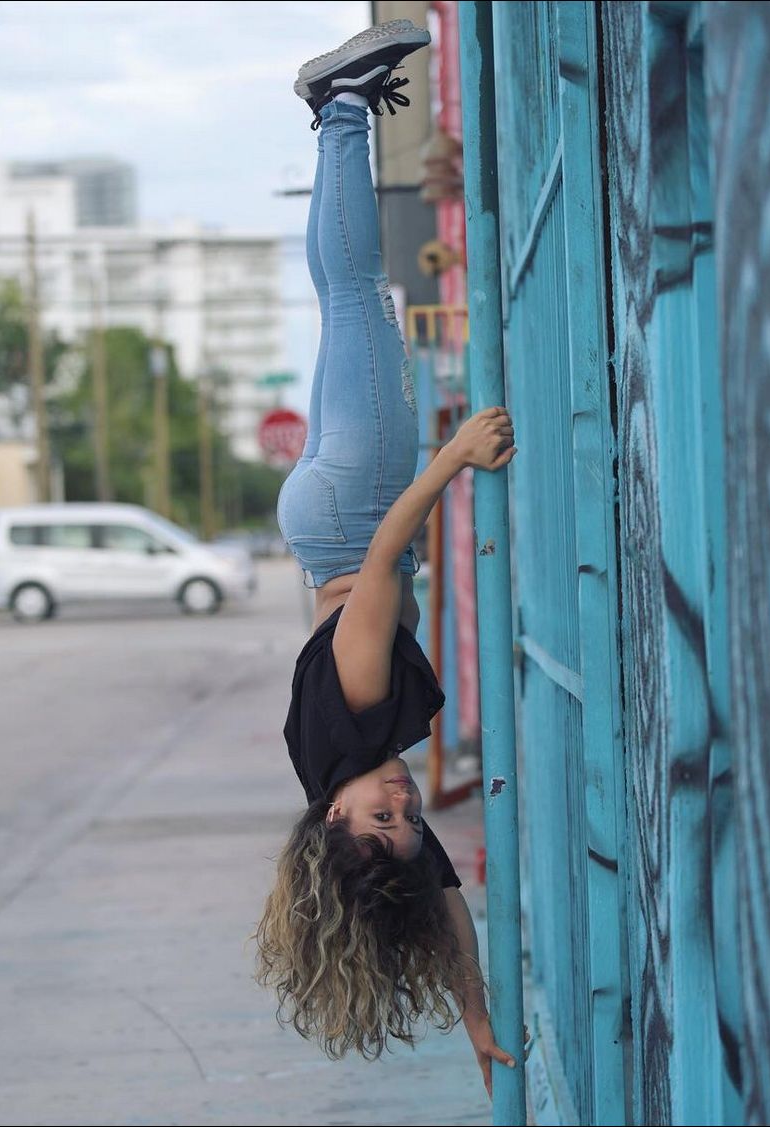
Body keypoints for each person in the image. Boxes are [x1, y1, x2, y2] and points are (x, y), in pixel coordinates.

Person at [254, 21, 521, 1098]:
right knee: (343, 302)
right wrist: (476, 1014)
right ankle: (335, 113)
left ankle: (344, 107)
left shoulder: (361, 708)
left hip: (361, 502)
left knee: (363, 292)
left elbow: (381, 568)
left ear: (336, 819)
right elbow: (442, 899)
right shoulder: (337, 768)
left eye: (385, 816)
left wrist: (451, 458)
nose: (405, 804)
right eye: (408, 819)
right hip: (322, 518)